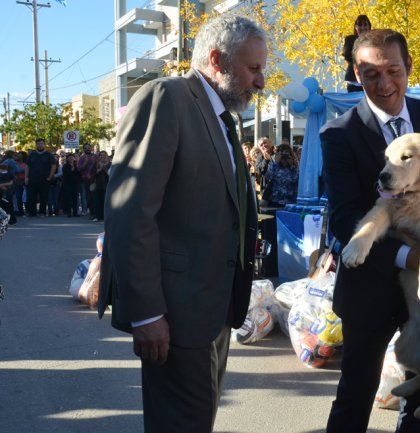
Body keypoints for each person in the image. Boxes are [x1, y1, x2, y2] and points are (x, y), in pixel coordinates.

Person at [98, 14, 263, 433]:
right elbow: (130, 211)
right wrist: (146, 313)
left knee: (196, 421)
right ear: (217, 60)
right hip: (173, 314)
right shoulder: (166, 98)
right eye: (253, 68)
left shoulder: (223, 118)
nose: (260, 81)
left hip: (213, 310)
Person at [321, 28, 420, 433]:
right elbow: (344, 217)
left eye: (393, 71)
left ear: (409, 67)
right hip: (369, 286)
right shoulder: (339, 133)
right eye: (371, 74)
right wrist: (408, 256)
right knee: (356, 394)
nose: (384, 83)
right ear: (356, 73)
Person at [25, 138, 57, 217]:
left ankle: (42, 212)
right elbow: (27, 166)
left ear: (44, 144)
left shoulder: (49, 155)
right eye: (38, 144)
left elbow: (54, 166)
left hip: (44, 179)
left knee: (43, 197)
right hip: (32, 179)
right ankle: (32, 212)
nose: (40, 145)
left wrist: (50, 177)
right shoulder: (32, 154)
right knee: (32, 197)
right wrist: (26, 177)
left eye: (41, 143)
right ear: (36, 145)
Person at [343, 15, 371, 92]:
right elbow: (347, 56)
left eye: (365, 25)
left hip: (370, 78)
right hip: (353, 79)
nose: (362, 27)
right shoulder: (349, 39)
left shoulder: (374, 40)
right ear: (356, 27)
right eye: (360, 25)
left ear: (369, 27)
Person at [77, 144, 97, 217]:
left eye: (89, 148)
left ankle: (96, 212)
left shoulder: (95, 156)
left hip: (95, 179)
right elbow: (79, 169)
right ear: (83, 149)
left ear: (91, 148)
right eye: (86, 148)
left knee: (95, 196)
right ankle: (91, 212)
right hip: (86, 180)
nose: (87, 149)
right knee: (88, 197)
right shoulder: (82, 158)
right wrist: (85, 163)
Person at [91, 151, 110, 222]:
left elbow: (111, 174)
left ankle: (104, 216)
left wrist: (104, 169)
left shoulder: (110, 164)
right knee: (97, 202)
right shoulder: (96, 164)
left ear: (107, 156)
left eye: (104, 155)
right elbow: (92, 173)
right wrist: (98, 170)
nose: (103, 156)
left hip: (107, 185)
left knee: (105, 202)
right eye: (101, 155)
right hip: (97, 185)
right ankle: (96, 216)